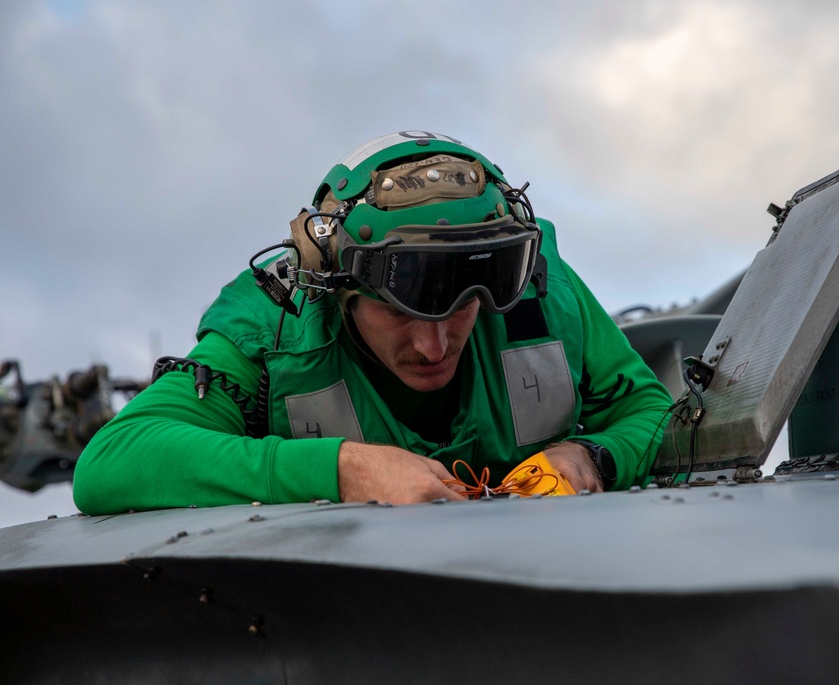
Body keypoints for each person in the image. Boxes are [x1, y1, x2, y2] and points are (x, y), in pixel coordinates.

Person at [73, 131, 673, 514]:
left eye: (461, 305)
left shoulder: (544, 291)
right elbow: (116, 459)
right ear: (335, 287)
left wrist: (592, 456)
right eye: (398, 310)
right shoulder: (273, 326)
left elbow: (652, 412)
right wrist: (343, 470)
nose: (433, 343)